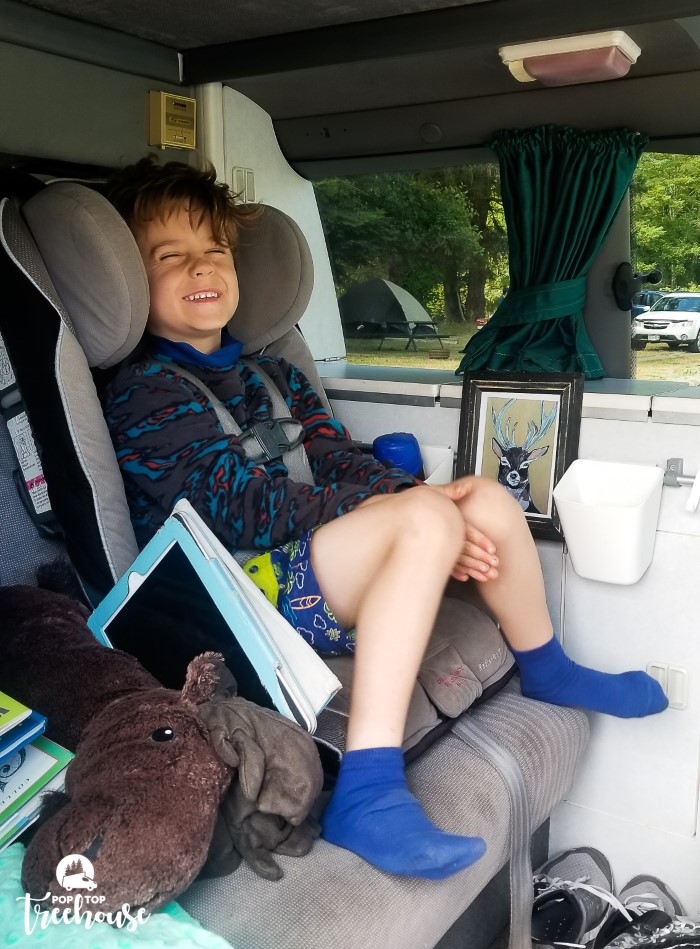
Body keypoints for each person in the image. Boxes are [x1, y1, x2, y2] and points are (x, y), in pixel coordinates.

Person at [103, 156, 668, 881]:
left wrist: (419, 496)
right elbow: (236, 504)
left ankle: (548, 667)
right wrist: (408, 515)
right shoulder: (144, 392)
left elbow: (335, 456)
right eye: (169, 257)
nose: (200, 268)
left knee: (487, 497)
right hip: (237, 591)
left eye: (213, 250)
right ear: (128, 283)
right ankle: (367, 789)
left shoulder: (270, 374)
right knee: (426, 517)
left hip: (309, 557)